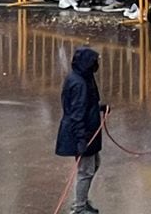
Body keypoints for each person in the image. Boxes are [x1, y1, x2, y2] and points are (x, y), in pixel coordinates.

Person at [55, 45, 105, 214]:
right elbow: (76, 113)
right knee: (86, 170)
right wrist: (81, 139)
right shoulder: (79, 84)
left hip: (89, 131)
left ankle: (82, 200)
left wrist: (99, 108)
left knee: (94, 165)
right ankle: (79, 208)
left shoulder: (84, 78)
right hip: (83, 133)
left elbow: (86, 104)